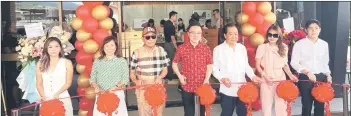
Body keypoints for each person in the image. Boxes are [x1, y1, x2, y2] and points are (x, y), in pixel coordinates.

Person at [212, 24, 261, 116]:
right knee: (226, 113)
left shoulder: (241, 48)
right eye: (231, 34)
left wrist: (253, 76)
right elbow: (214, 69)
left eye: (236, 34)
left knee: (243, 113)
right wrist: (222, 78)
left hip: (242, 88)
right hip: (227, 89)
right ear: (225, 35)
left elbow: (246, 66)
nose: (234, 36)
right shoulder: (218, 49)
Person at [290, 19, 332, 116]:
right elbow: (294, 63)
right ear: (306, 30)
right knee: (306, 106)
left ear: (320, 30)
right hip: (306, 78)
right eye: (311, 28)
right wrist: (307, 72)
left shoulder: (324, 44)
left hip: (321, 78)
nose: (314, 31)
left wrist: (328, 75)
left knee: (320, 106)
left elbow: (325, 63)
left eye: (316, 28)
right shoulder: (299, 44)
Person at [255, 25, 298, 116]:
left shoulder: (284, 47)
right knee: (266, 107)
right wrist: (265, 76)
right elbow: (257, 65)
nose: (272, 37)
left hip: (280, 79)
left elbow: (285, 65)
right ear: (267, 35)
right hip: (266, 78)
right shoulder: (262, 47)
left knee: (281, 106)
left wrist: (290, 75)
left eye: (275, 35)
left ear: (279, 36)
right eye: (270, 35)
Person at [172, 23, 213, 116]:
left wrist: (206, 80)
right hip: (187, 84)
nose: (195, 35)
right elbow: (174, 64)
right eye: (193, 33)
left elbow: (209, 65)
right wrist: (180, 76)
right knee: (188, 111)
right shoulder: (181, 48)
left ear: (201, 34)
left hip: (202, 84)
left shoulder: (206, 48)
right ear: (188, 34)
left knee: (202, 111)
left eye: (198, 33)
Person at [130, 27, 169, 116]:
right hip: (143, 89)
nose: (151, 39)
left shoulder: (162, 51)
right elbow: (132, 73)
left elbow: (165, 70)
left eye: (153, 36)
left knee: (158, 113)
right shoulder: (136, 52)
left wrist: (160, 77)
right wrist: (136, 81)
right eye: (147, 37)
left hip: (158, 88)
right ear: (142, 39)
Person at [90, 36, 129, 116]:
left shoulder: (122, 61)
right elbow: (92, 78)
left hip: (117, 94)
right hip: (101, 94)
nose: (109, 48)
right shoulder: (98, 61)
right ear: (103, 47)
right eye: (106, 46)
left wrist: (116, 87)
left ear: (116, 47)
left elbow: (125, 79)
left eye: (112, 45)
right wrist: (95, 86)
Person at [36, 37, 73, 116]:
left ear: (60, 48)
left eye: (56, 46)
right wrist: (43, 96)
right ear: (46, 49)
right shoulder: (40, 64)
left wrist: (57, 94)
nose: (53, 49)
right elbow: (39, 83)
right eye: (50, 47)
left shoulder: (67, 63)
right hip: (46, 99)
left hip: (62, 98)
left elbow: (68, 82)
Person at [163, 11, 178, 80]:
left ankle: (169, 74)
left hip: (166, 43)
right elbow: (172, 37)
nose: (176, 18)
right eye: (175, 16)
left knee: (168, 60)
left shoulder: (166, 23)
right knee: (170, 60)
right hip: (170, 44)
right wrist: (176, 47)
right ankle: (170, 76)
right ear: (172, 16)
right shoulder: (170, 25)